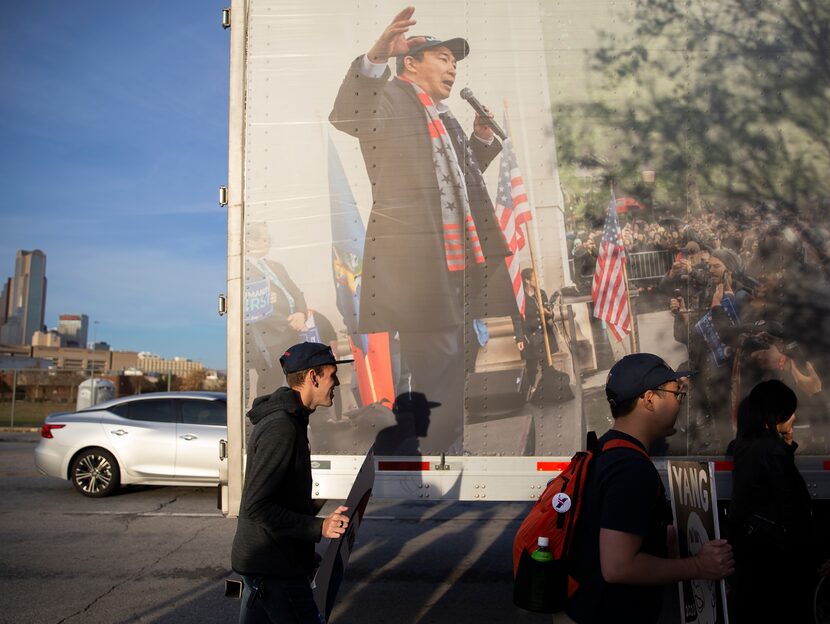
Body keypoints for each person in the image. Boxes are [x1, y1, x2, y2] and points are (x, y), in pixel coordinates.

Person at [329, 6, 517, 454]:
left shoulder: (443, 115)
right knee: (439, 361)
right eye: (444, 58)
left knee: (458, 357)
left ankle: (439, 445)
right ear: (410, 62)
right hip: (418, 266)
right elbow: (347, 114)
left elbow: (458, 180)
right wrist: (376, 54)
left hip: (457, 262)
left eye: (455, 62)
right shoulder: (390, 99)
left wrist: (482, 139)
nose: (453, 67)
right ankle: (438, 453)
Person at [566, 353, 734, 624]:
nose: (679, 403)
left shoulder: (607, 449)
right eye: (675, 394)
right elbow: (618, 567)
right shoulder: (631, 469)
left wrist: (656, 534)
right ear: (648, 399)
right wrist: (699, 566)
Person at [231, 342, 355, 624]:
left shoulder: (292, 420)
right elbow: (257, 506)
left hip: (269, 563)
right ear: (313, 377)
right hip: (274, 569)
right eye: (331, 375)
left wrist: (302, 551)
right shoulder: (282, 427)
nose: (336, 382)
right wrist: (319, 527)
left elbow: (281, 499)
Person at [727, 380, 830, 622]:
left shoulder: (743, 446)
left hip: (752, 561)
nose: (794, 418)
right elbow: (793, 510)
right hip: (778, 564)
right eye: (789, 412)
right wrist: (817, 556)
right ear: (774, 416)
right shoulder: (772, 451)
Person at [245, 222, 308, 397]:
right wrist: (289, 323)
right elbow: (255, 306)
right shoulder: (243, 272)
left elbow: (296, 292)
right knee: (273, 388)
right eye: (265, 239)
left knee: (297, 385)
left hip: (293, 333)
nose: (269, 242)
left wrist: (301, 314)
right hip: (271, 341)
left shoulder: (276, 266)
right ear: (249, 242)